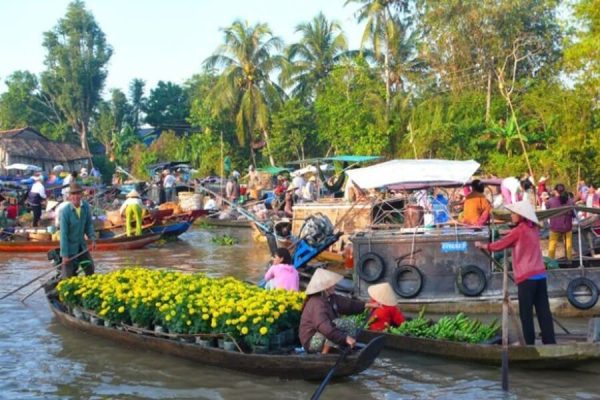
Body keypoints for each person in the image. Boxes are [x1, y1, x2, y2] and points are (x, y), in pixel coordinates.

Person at [475, 201, 556, 345]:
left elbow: (501, 244)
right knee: (543, 310)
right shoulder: (533, 228)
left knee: (526, 313)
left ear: (521, 216)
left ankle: (529, 344)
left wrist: (484, 245)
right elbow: (515, 237)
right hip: (540, 275)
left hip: (527, 277)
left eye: (514, 213)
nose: (511, 216)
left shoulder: (519, 231)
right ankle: (550, 342)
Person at [299, 269, 368, 354]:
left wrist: (366, 305)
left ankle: (340, 348)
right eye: (331, 284)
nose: (334, 286)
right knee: (337, 323)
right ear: (325, 288)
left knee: (350, 324)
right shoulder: (317, 303)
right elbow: (324, 327)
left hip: (323, 334)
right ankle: (325, 354)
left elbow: (347, 304)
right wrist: (345, 338)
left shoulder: (331, 298)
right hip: (311, 342)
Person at [59, 183, 96, 278]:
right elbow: (63, 235)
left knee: (90, 269)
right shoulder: (65, 212)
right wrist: (65, 255)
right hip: (69, 248)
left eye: (77, 194)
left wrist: (92, 239)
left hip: (81, 246)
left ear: (81, 195)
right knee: (68, 276)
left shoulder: (86, 207)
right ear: (69, 196)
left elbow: (89, 225)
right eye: (73, 194)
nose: (75, 197)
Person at [546, 183, 574, 260]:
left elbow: (547, 208)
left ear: (555, 191)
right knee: (568, 246)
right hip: (567, 227)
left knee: (552, 246)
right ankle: (569, 261)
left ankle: (550, 262)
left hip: (555, 227)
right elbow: (573, 213)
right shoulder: (570, 201)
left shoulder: (551, 201)